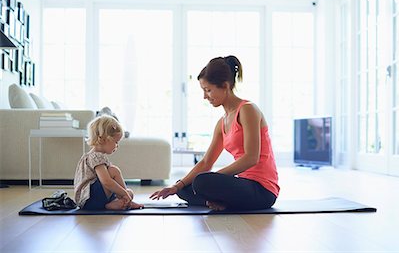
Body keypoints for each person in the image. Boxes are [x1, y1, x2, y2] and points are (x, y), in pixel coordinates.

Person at [150, 55, 280, 211]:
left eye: (208, 90)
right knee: (185, 188)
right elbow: (206, 162)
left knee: (202, 182)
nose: (205, 97)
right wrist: (176, 186)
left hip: (262, 190)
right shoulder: (222, 123)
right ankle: (218, 203)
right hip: (242, 184)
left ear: (225, 86)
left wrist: (216, 178)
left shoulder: (248, 110)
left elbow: (251, 158)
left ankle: (218, 201)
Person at [74, 115, 143, 210]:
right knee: (114, 171)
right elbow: (106, 181)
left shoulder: (97, 156)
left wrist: (125, 193)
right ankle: (125, 200)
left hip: (94, 198)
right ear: (103, 139)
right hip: (88, 199)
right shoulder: (96, 156)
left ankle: (110, 204)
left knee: (129, 192)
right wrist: (124, 193)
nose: (117, 146)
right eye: (116, 142)